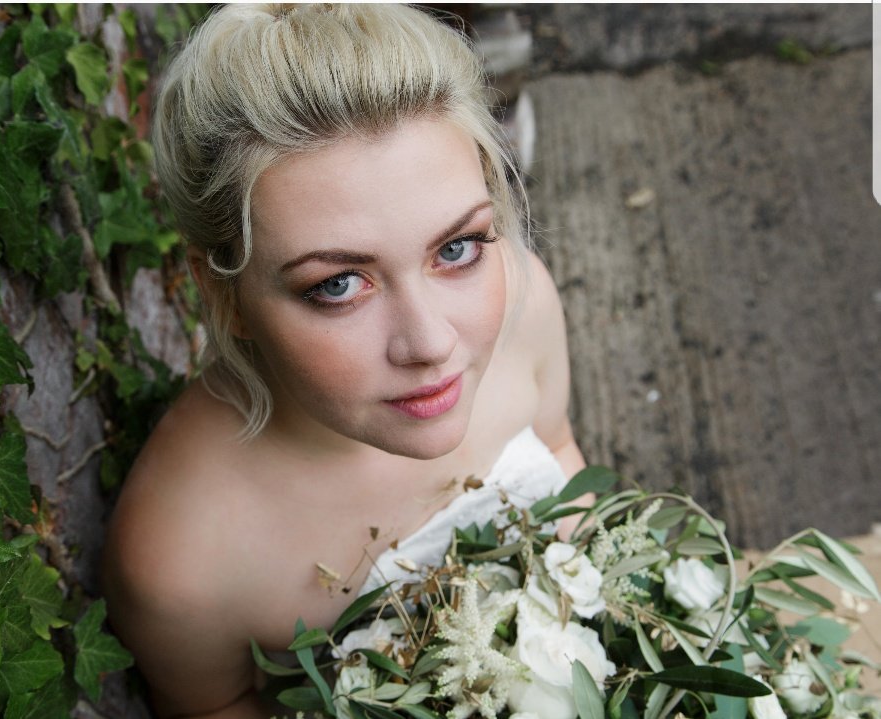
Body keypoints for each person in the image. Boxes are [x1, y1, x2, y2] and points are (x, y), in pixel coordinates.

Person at [101, 4, 588, 717]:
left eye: (455, 248)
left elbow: (560, 453)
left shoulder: (523, 305)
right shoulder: (181, 558)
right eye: (337, 284)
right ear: (226, 293)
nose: (429, 343)